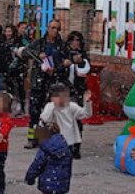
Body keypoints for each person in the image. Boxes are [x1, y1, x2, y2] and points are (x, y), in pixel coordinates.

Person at [21, 19, 68, 148]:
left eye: (57, 28)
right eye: (52, 28)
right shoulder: (39, 43)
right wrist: (38, 54)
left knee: (50, 112)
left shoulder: (62, 45)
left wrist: (57, 68)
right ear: (48, 28)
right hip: (38, 81)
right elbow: (25, 52)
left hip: (53, 81)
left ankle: (44, 138)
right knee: (35, 111)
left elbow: (65, 61)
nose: (55, 31)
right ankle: (32, 138)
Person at [39, 82, 92, 159]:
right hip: (53, 141)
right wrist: (53, 105)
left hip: (68, 141)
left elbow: (86, 114)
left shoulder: (71, 106)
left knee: (64, 164)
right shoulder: (50, 106)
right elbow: (44, 118)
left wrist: (87, 102)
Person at [24, 121, 71, 194]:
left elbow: (37, 164)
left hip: (47, 184)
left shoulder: (45, 147)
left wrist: (30, 178)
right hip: (62, 184)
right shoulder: (64, 144)